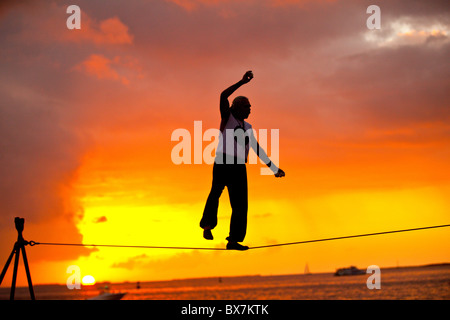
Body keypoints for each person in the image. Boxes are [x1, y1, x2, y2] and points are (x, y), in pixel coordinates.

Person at [200, 71, 285, 250]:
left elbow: (256, 149)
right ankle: (207, 225)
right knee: (215, 193)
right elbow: (223, 95)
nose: (249, 109)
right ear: (236, 107)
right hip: (223, 162)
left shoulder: (248, 127)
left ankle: (233, 240)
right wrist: (242, 82)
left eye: (250, 106)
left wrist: (274, 168)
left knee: (240, 205)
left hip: (239, 167)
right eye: (246, 107)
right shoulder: (227, 118)